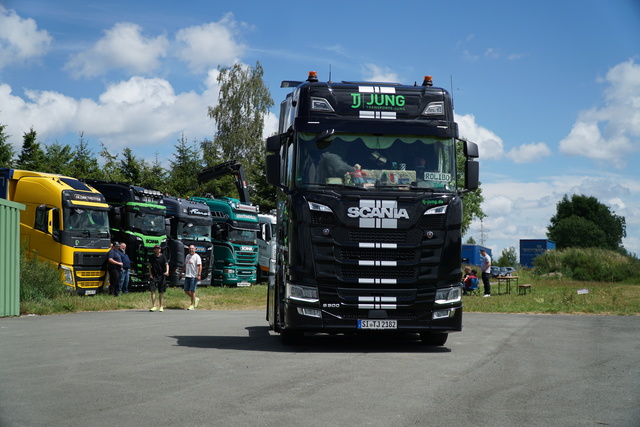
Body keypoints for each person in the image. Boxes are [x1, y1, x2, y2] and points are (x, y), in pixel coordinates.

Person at [148, 245, 169, 312]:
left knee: (161, 291)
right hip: (154, 276)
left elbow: (166, 264)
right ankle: (154, 306)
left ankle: (161, 306)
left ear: (160, 250)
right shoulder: (152, 257)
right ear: (154, 250)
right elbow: (149, 266)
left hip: (161, 275)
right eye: (156, 249)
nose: (157, 250)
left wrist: (167, 271)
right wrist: (150, 273)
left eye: (158, 249)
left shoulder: (163, 257)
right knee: (152, 290)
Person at [181, 245, 202, 310]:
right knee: (186, 290)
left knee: (192, 290)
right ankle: (195, 299)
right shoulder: (187, 256)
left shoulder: (197, 257)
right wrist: (181, 273)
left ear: (195, 249)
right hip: (188, 275)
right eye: (190, 249)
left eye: (192, 249)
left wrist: (199, 275)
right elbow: (185, 265)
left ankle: (192, 305)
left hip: (194, 276)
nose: (191, 250)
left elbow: (200, 266)